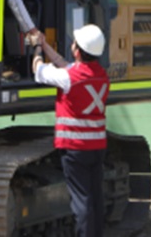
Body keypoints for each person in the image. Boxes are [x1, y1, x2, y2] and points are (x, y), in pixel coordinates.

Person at [32, 24, 109, 237]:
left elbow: (38, 70)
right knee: (95, 199)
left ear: (77, 50)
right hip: (97, 148)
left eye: (73, 43)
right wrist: (46, 45)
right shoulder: (101, 75)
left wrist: (37, 49)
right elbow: (63, 64)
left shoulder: (68, 78)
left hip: (75, 150)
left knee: (81, 202)